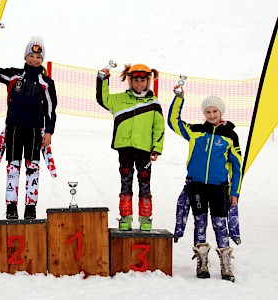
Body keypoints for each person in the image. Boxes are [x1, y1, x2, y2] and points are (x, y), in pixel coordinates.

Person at [168, 86, 242, 282]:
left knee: (220, 225)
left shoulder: (230, 136)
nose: (211, 114)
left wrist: (235, 191)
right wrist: (179, 99)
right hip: (197, 186)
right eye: (208, 111)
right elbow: (173, 122)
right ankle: (202, 262)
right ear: (204, 113)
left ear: (221, 112)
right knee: (199, 223)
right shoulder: (195, 131)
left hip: (219, 188)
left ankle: (226, 263)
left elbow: (237, 166)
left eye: (214, 111)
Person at [0, 32, 57, 220]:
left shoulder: (46, 83)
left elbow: (50, 109)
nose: (34, 59)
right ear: (25, 57)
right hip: (14, 129)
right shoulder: (14, 75)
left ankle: (31, 207)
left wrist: (48, 131)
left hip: (34, 131)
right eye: (31, 56)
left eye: (38, 57)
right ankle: (11, 206)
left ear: (42, 59)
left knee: (33, 168)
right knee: (12, 167)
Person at [96, 63, 165, 231]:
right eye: (135, 80)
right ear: (129, 81)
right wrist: (102, 79)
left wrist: (156, 147)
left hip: (144, 149)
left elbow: (159, 127)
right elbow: (103, 99)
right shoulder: (119, 100)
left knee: (144, 182)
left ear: (148, 81)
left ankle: (145, 218)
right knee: (126, 181)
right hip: (125, 147)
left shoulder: (154, 103)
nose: (139, 84)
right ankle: (125, 217)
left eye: (143, 80)